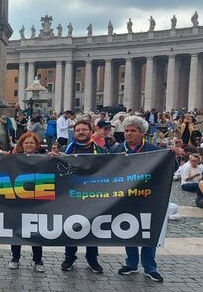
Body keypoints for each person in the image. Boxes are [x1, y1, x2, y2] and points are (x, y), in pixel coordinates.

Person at [111, 116, 164, 282]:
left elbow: (171, 167)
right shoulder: (116, 149)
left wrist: (173, 155)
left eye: (133, 131)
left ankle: (150, 267)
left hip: (148, 198)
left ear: (142, 133)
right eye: (126, 131)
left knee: (148, 232)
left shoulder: (153, 150)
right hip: (124, 198)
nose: (128, 134)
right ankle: (131, 263)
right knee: (129, 230)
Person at [61, 121, 105, 273]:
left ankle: (92, 258)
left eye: (84, 129)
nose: (81, 132)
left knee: (93, 227)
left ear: (91, 131)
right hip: (71, 195)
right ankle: (69, 257)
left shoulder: (101, 150)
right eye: (78, 130)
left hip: (93, 195)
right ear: (74, 133)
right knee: (71, 226)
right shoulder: (65, 149)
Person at [9, 132, 45, 272]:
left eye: (31, 143)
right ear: (21, 145)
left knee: (36, 232)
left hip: (37, 201)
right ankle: (15, 257)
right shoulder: (15, 158)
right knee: (17, 231)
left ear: (36, 145)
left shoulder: (43, 158)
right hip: (18, 200)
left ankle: (38, 259)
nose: (29, 145)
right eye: (26, 143)